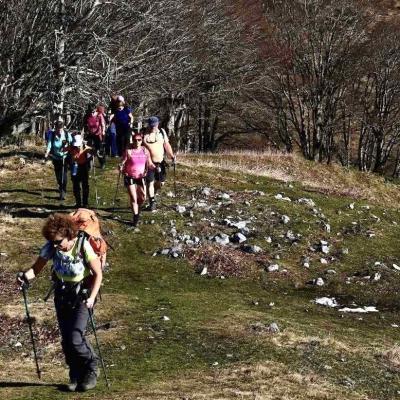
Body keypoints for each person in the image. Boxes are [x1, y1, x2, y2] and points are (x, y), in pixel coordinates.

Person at [17, 213, 102, 392]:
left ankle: (91, 367)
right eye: (53, 242)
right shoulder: (51, 247)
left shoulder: (82, 245)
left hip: (82, 296)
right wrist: (25, 277)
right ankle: (75, 373)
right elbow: (36, 269)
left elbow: (98, 273)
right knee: (66, 339)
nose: (56, 245)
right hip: (62, 295)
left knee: (75, 338)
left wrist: (92, 298)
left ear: (69, 235)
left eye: (58, 241)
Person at [120, 132, 155, 226]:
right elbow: (122, 162)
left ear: (141, 140)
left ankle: (137, 211)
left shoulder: (145, 150)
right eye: (135, 140)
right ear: (133, 140)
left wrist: (155, 167)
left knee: (142, 198)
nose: (137, 142)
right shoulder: (129, 151)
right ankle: (135, 218)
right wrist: (121, 167)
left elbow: (150, 163)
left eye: (139, 140)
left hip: (141, 177)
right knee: (133, 198)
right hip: (130, 176)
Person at [143, 116, 175, 211]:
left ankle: (153, 195)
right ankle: (152, 202)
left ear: (158, 124)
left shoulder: (162, 132)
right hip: (148, 162)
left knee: (161, 183)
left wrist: (172, 156)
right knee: (150, 183)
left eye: (155, 125)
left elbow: (166, 145)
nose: (154, 127)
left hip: (160, 162)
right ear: (149, 124)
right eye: (152, 125)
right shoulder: (144, 132)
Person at [44, 120, 72, 200]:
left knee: (64, 174)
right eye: (57, 129)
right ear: (55, 128)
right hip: (56, 157)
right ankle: (60, 185)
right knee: (58, 175)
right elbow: (49, 144)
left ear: (62, 128)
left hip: (65, 157)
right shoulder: (52, 135)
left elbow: (71, 144)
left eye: (60, 129)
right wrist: (47, 153)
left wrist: (67, 148)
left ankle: (63, 191)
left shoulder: (67, 134)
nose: (59, 131)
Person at [65, 134, 92, 208]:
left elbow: (92, 154)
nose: (77, 146)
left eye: (78, 145)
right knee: (76, 185)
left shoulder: (86, 148)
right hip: (75, 166)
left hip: (84, 167)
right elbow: (63, 150)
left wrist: (91, 153)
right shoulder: (71, 147)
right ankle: (78, 203)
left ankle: (85, 203)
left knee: (85, 185)